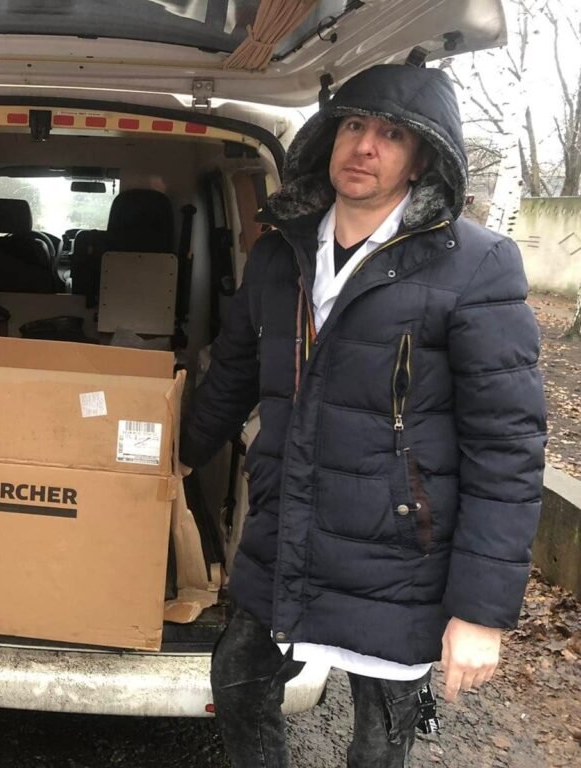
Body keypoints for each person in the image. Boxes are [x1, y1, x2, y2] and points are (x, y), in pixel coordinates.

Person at [180, 64, 546, 767]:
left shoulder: (476, 264)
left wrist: (481, 612)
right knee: (238, 684)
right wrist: (175, 459)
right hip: (286, 534)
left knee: (379, 742)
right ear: (330, 138)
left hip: (396, 554)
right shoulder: (279, 253)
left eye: (392, 134)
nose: (365, 146)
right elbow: (231, 375)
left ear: (423, 158)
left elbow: (507, 448)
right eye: (353, 125)